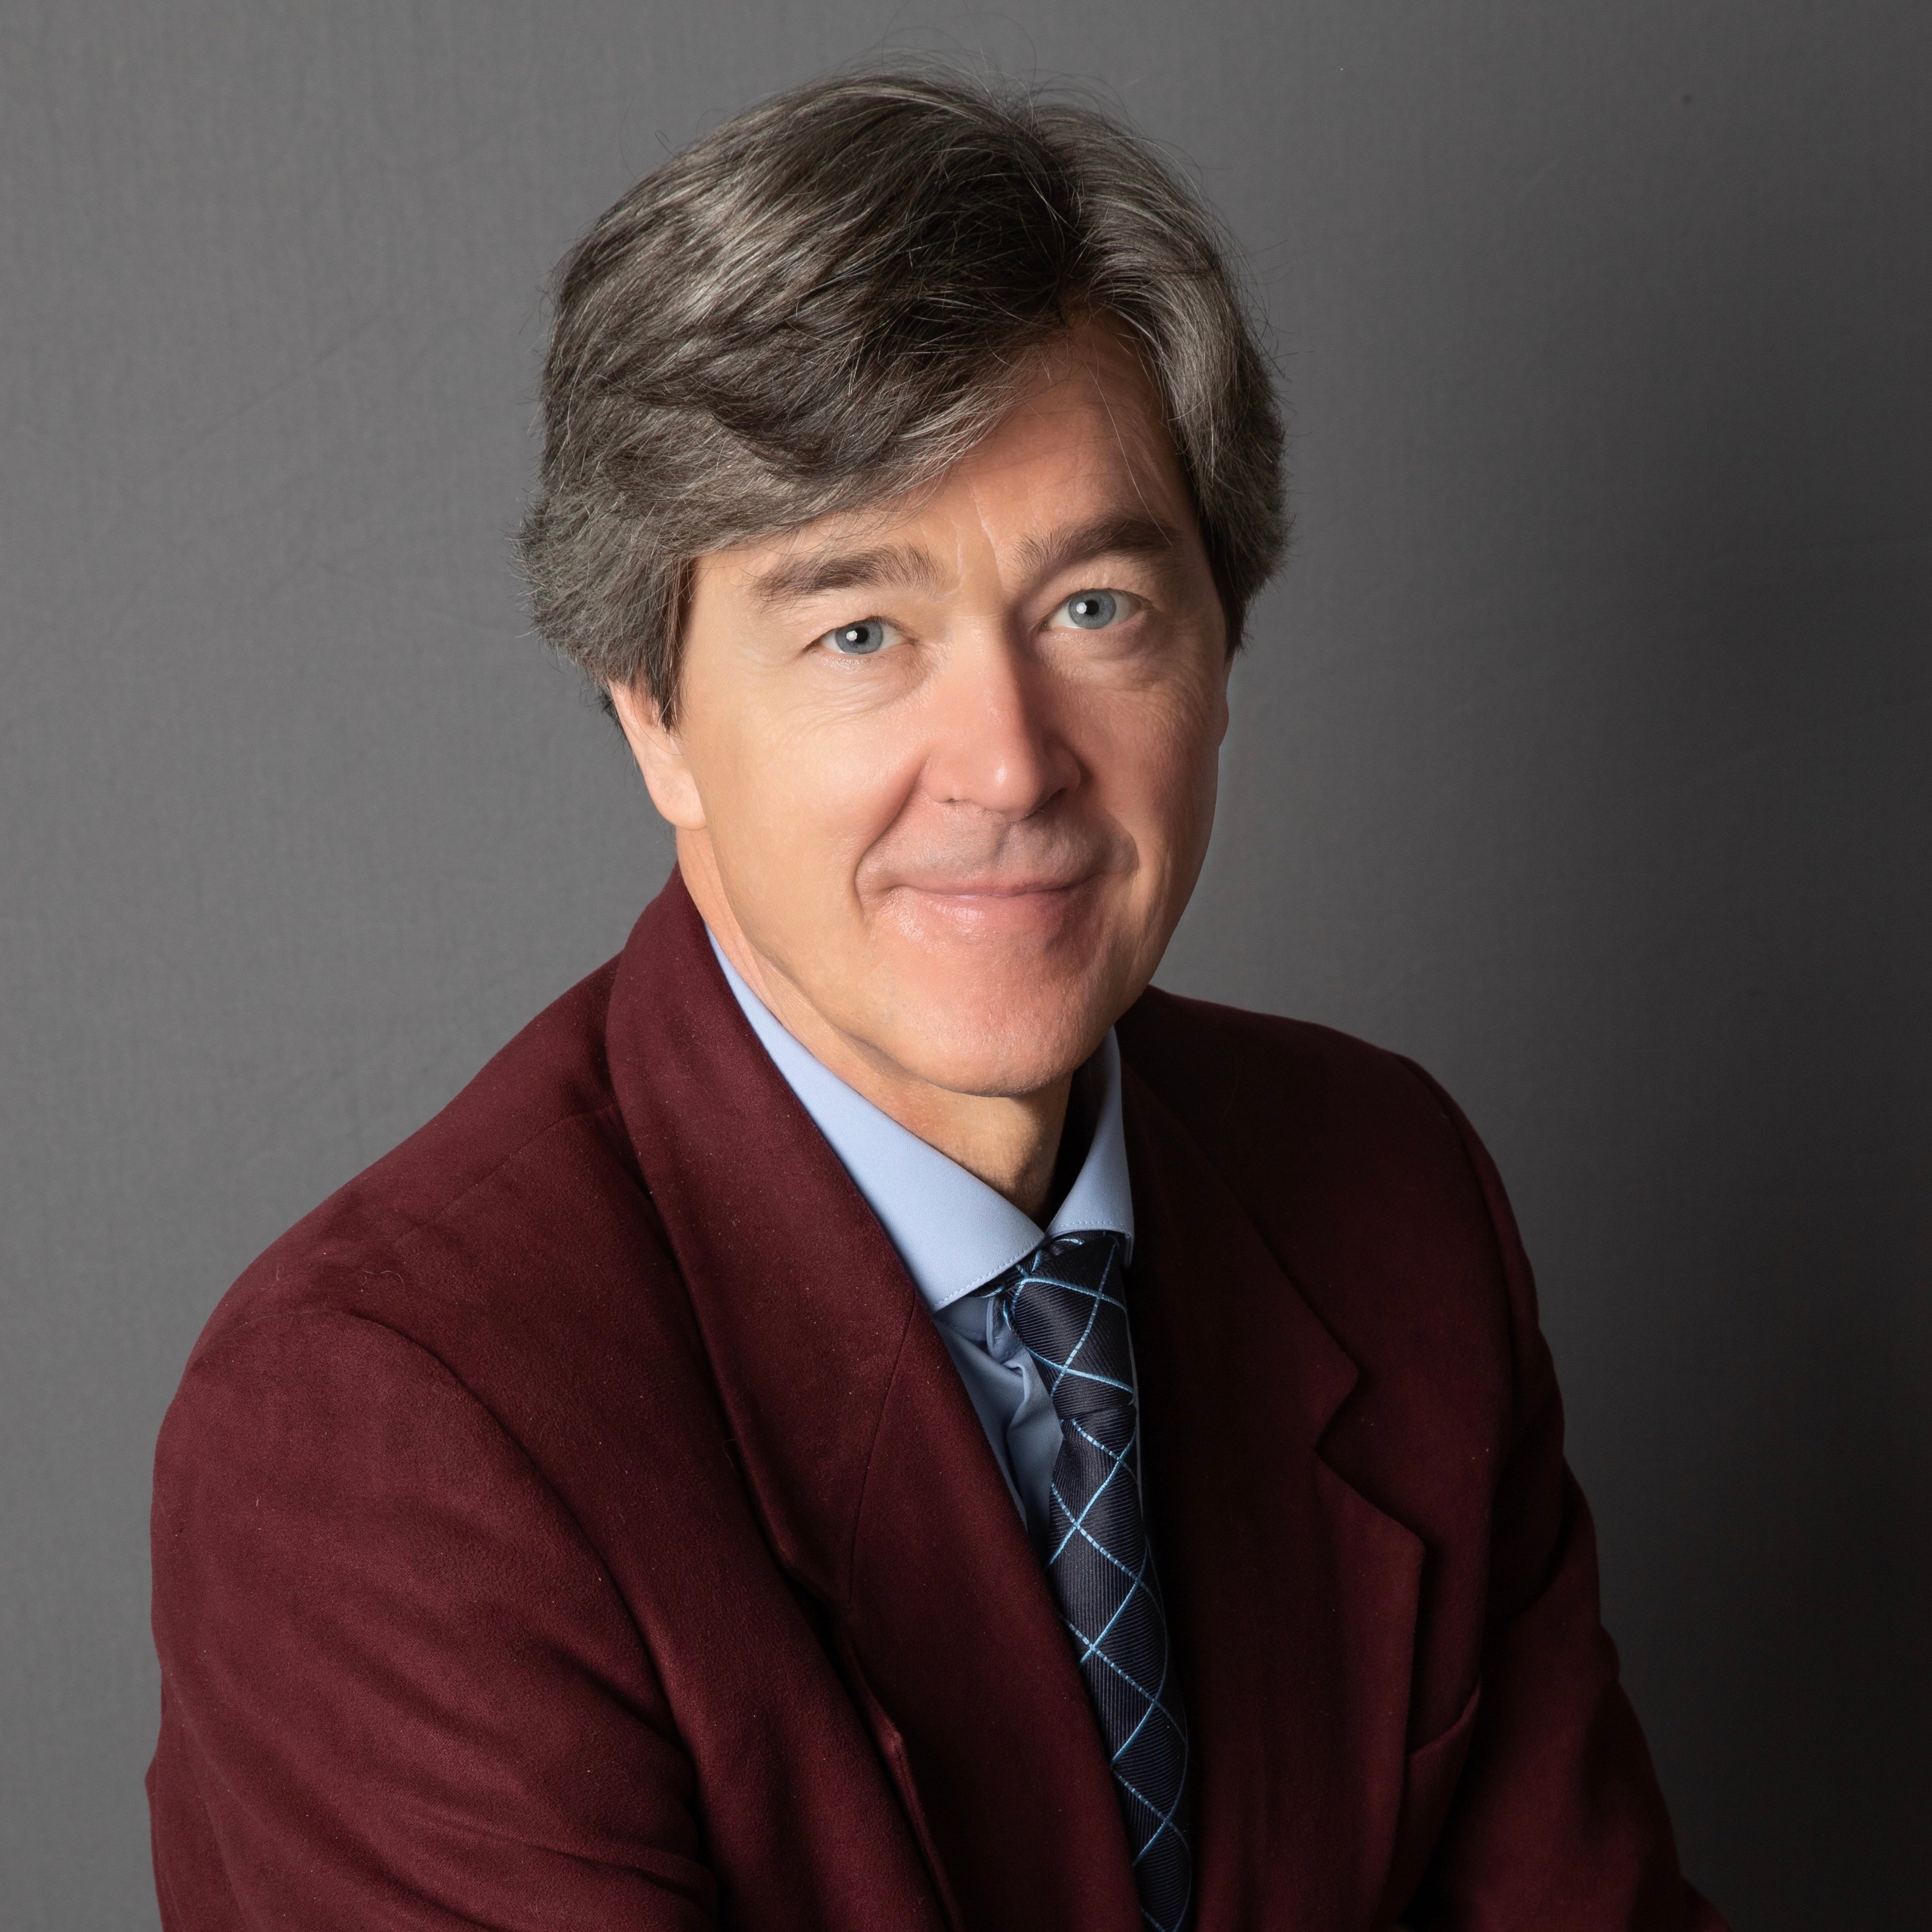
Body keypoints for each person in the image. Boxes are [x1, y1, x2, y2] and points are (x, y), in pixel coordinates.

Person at [146, 70, 1724, 1932]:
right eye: (859, 631)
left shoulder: (1389, 1198)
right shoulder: (389, 1429)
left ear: (1221, 647)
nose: (1006, 763)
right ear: (655, 713)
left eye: (1093, 608)